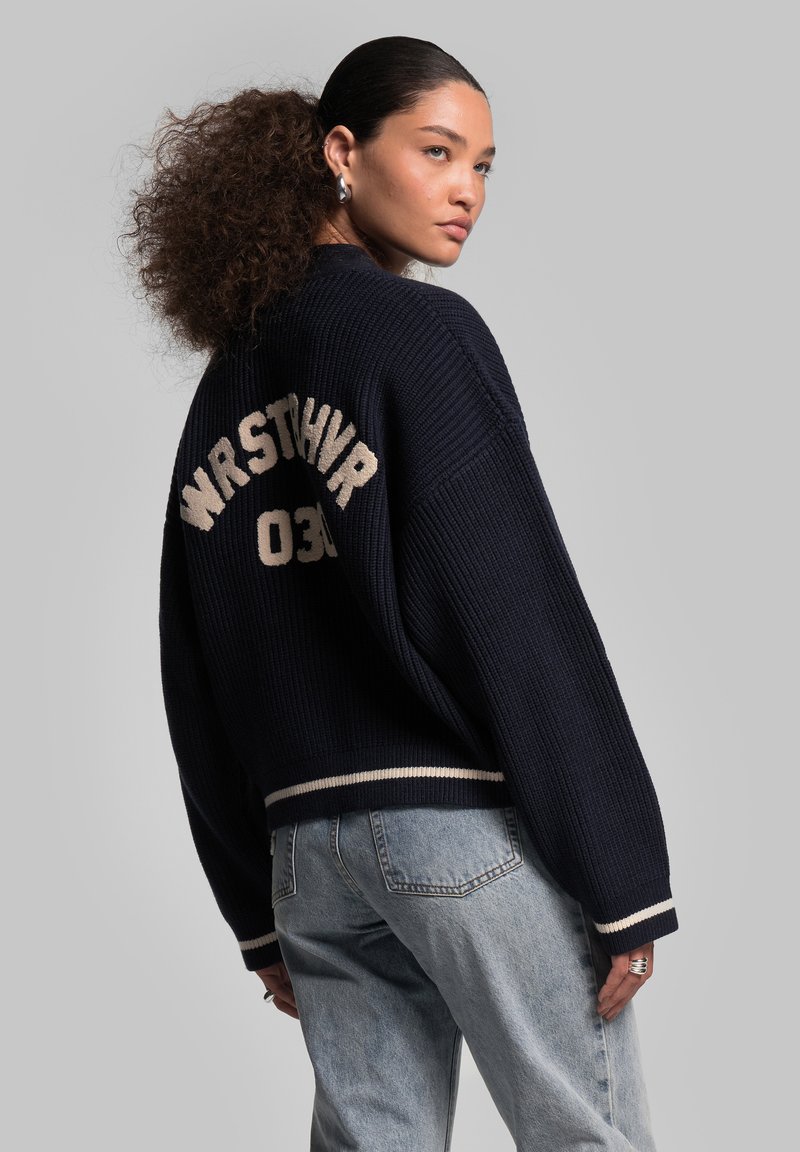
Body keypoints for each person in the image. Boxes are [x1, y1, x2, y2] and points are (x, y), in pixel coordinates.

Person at [126, 34, 679, 1151]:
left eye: (482, 166)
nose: (466, 190)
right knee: (587, 1136)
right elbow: (512, 608)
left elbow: (196, 657)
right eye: (436, 151)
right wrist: (621, 869)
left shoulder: (227, 382)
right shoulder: (418, 335)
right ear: (342, 152)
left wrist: (252, 907)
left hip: (307, 857)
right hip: (455, 834)